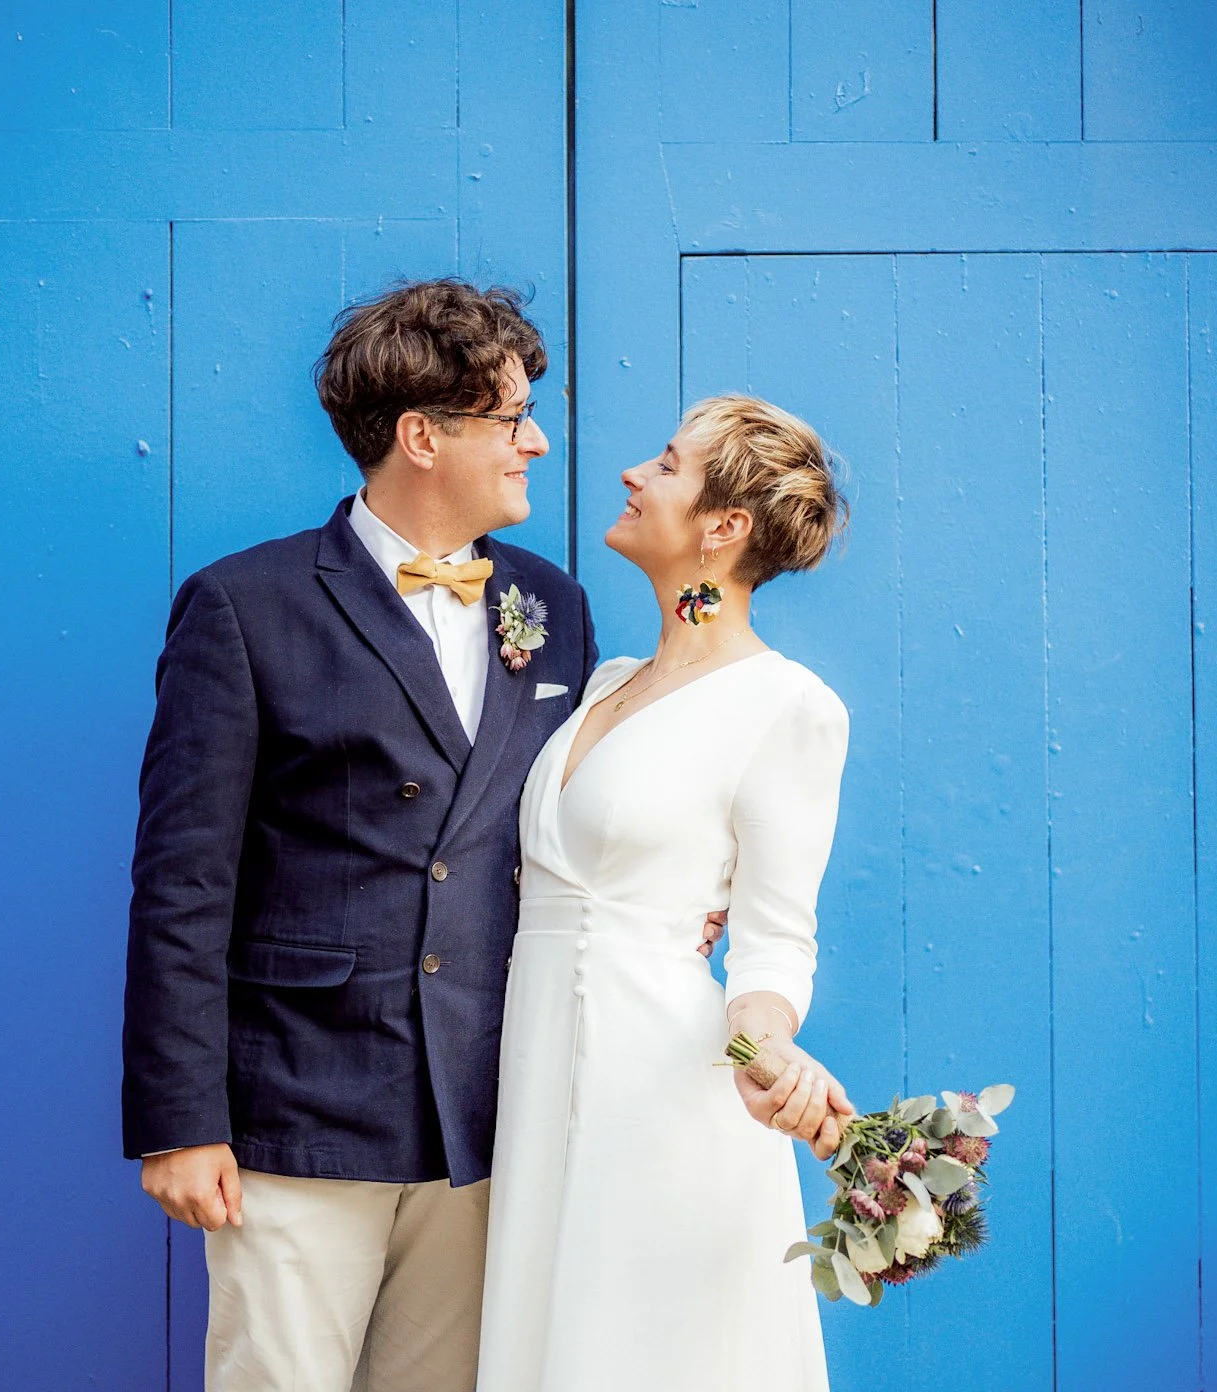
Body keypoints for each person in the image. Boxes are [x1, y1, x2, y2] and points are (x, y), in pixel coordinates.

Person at [119, 278, 721, 1392]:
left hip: (490, 1116)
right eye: (510, 418)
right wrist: (178, 1121)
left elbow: (586, 805)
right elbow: (183, 884)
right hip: (298, 1114)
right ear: (420, 435)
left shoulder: (553, 605)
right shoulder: (244, 607)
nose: (536, 440)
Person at [478, 394, 855, 1392]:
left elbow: (776, 936)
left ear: (722, 527)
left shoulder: (787, 708)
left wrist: (764, 1041)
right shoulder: (606, 680)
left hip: (657, 1090)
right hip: (536, 1077)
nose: (632, 476)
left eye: (666, 465)